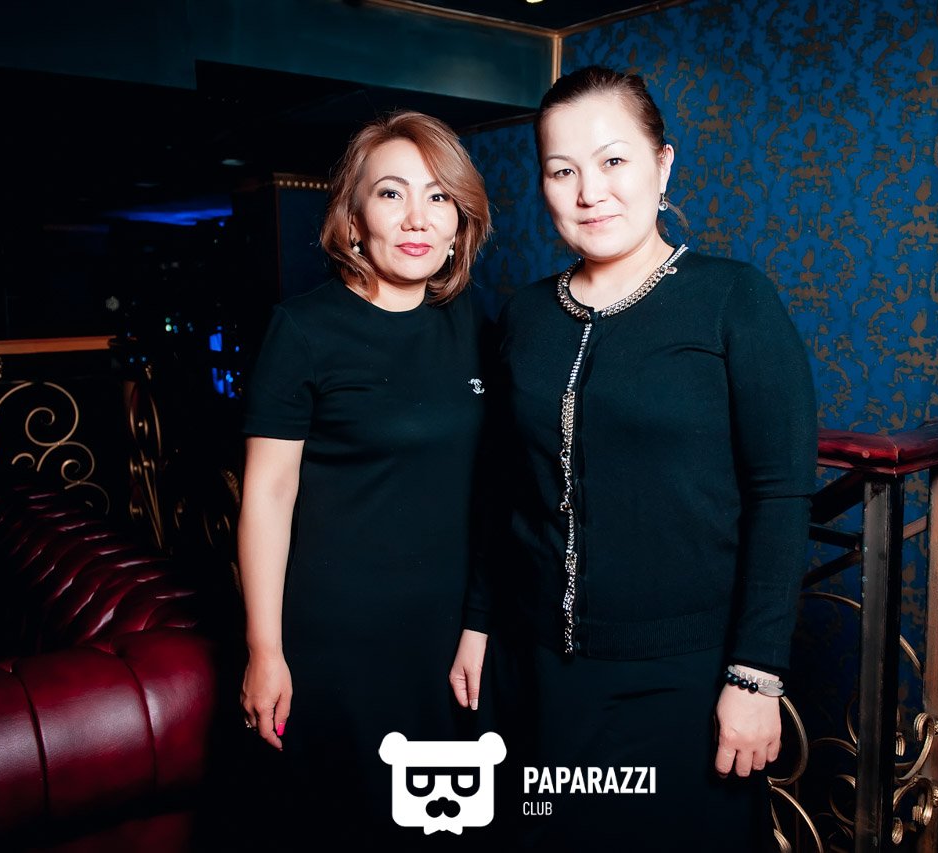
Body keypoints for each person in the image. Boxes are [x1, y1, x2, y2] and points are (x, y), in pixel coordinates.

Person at [451, 66, 817, 847]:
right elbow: (502, 486)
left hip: (683, 680)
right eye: (562, 171)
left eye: (613, 160)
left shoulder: (734, 299)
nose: (590, 191)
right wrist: (478, 623)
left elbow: (782, 493)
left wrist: (755, 674)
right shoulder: (524, 315)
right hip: (538, 671)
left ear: (663, 164)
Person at [238, 110, 492, 841]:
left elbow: (496, 488)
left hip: (451, 638)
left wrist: (480, 622)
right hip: (338, 638)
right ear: (353, 219)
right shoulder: (303, 329)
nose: (417, 217)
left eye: (438, 196)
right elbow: (267, 496)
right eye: (391, 193)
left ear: (459, 222)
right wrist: (264, 650)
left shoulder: (479, 324)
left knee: (450, 825)